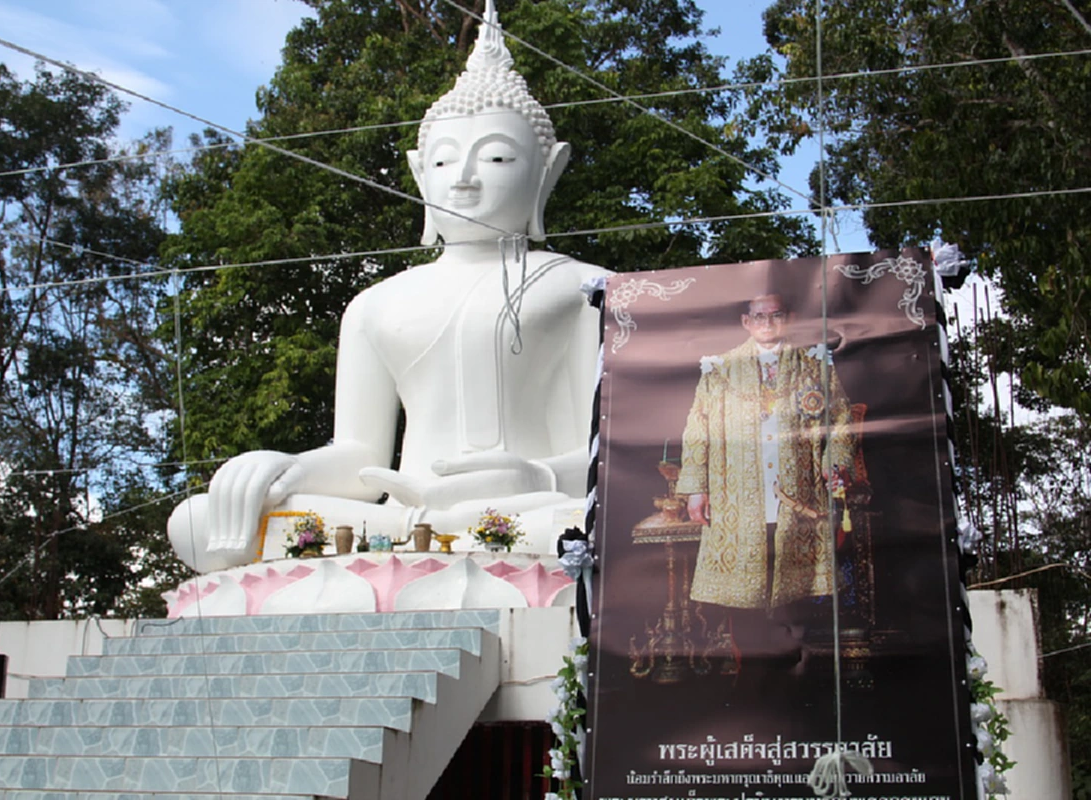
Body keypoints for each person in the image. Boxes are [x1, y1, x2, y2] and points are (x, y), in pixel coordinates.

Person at [167, 0, 611, 571]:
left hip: (532, 511)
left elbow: (613, 452)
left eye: (497, 157)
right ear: (420, 174)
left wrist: (538, 475)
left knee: (601, 523)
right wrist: (285, 470)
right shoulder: (375, 304)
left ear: (547, 171)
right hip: (400, 522)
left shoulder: (587, 288)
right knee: (199, 521)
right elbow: (361, 458)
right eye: (444, 163)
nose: (464, 181)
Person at [676, 293, 854, 612]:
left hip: (800, 493)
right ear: (746, 322)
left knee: (798, 605)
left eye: (776, 315)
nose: (767, 323)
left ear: (790, 318)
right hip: (736, 496)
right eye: (759, 316)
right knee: (744, 606)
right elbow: (697, 430)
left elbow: (841, 418)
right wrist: (696, 489)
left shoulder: (814, 364)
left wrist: (835, 462)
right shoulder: (720, 369)